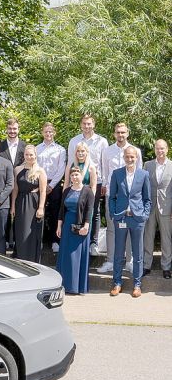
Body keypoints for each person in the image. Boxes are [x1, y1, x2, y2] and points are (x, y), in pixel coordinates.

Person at [98, 122, 142, 274]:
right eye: (118, 132)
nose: (120, 135)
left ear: (127, 133)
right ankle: (110, 260)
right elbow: (104, 171)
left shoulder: (135, 151)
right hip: (113, 195)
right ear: (114, 134)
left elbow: (140, 174)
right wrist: (104, 185)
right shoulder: (107, 151)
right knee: (112, 229)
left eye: (123, 132)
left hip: (130, 197)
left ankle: (129, 261)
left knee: (130, 228)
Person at [108, 146, 151, 298]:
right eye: (127, 156)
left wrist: (144, 215)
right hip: (121, 217)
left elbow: (147, 199)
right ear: (124, 157)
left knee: (138, 253)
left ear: (136, 158)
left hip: (137, 219)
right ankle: (117, 283)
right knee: (119, 253)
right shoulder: (117, 173)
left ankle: (137, 284)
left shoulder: (144, 174)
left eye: (132, 157)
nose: (130, 159)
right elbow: (111, 196)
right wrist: (114, 214)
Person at [66, 114, 108, 255]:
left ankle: (93, 243)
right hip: (76, 181)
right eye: (84, 123)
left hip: (94, 180)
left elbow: (104, 163)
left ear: (93, 125)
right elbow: (71, 164)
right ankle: (77, 237)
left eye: (89, 123)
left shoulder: (102, 141)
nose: (86, 126)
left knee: (94, 211)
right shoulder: (74, 141)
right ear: (81, 125)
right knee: (76, 210)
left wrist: (104, 183)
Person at [56, 167, 94, 295]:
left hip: (81, 227)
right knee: (66, 255)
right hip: (67, 226)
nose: (74, 177)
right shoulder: (66, 191)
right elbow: (62, 210)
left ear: (81, 176)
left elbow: (89, 210)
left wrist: (86, 226)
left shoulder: (88, 191)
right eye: (72, 175)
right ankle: (65, 284)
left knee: (77, 256)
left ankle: (76, 286)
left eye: (77, 175)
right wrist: (59, 226)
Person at [11, 145, 47, 263]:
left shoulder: (40, 171)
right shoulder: (17, 169)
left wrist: (41, 208)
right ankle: (20, 260)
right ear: (24, 155)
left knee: (31, 234)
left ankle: (32, 261)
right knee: (21, 233)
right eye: (27, 154)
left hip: (34, 203)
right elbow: (15, 189)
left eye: (31, 154)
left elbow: (43, 191)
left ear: (35, 155)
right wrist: (12, 206)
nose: (29, 157)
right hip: (20, 203)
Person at [36, 122, 67, 252]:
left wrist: (51, 185)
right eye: (46, 131)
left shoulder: (60, 149)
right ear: (42, 133)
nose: (48, 134)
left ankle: (55, 240)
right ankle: (39, 240)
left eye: (50, 131)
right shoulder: (37, 149)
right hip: (39, 183)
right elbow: (35, 167)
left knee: (55, 213)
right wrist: (42, 184)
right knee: (39, 211)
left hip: (54, 185)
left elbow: (61, 169)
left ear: (54, 133)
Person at [144, 139, 172, 278]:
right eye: (157, 148)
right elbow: (143, 187)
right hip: (150, 207)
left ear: (167, 149)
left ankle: (166, 267)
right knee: (147, 237)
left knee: (166, 239)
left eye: (162, 148)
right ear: (154, 149)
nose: (160, 151)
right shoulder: (147, 165)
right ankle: (146, 266)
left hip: (167, 207)